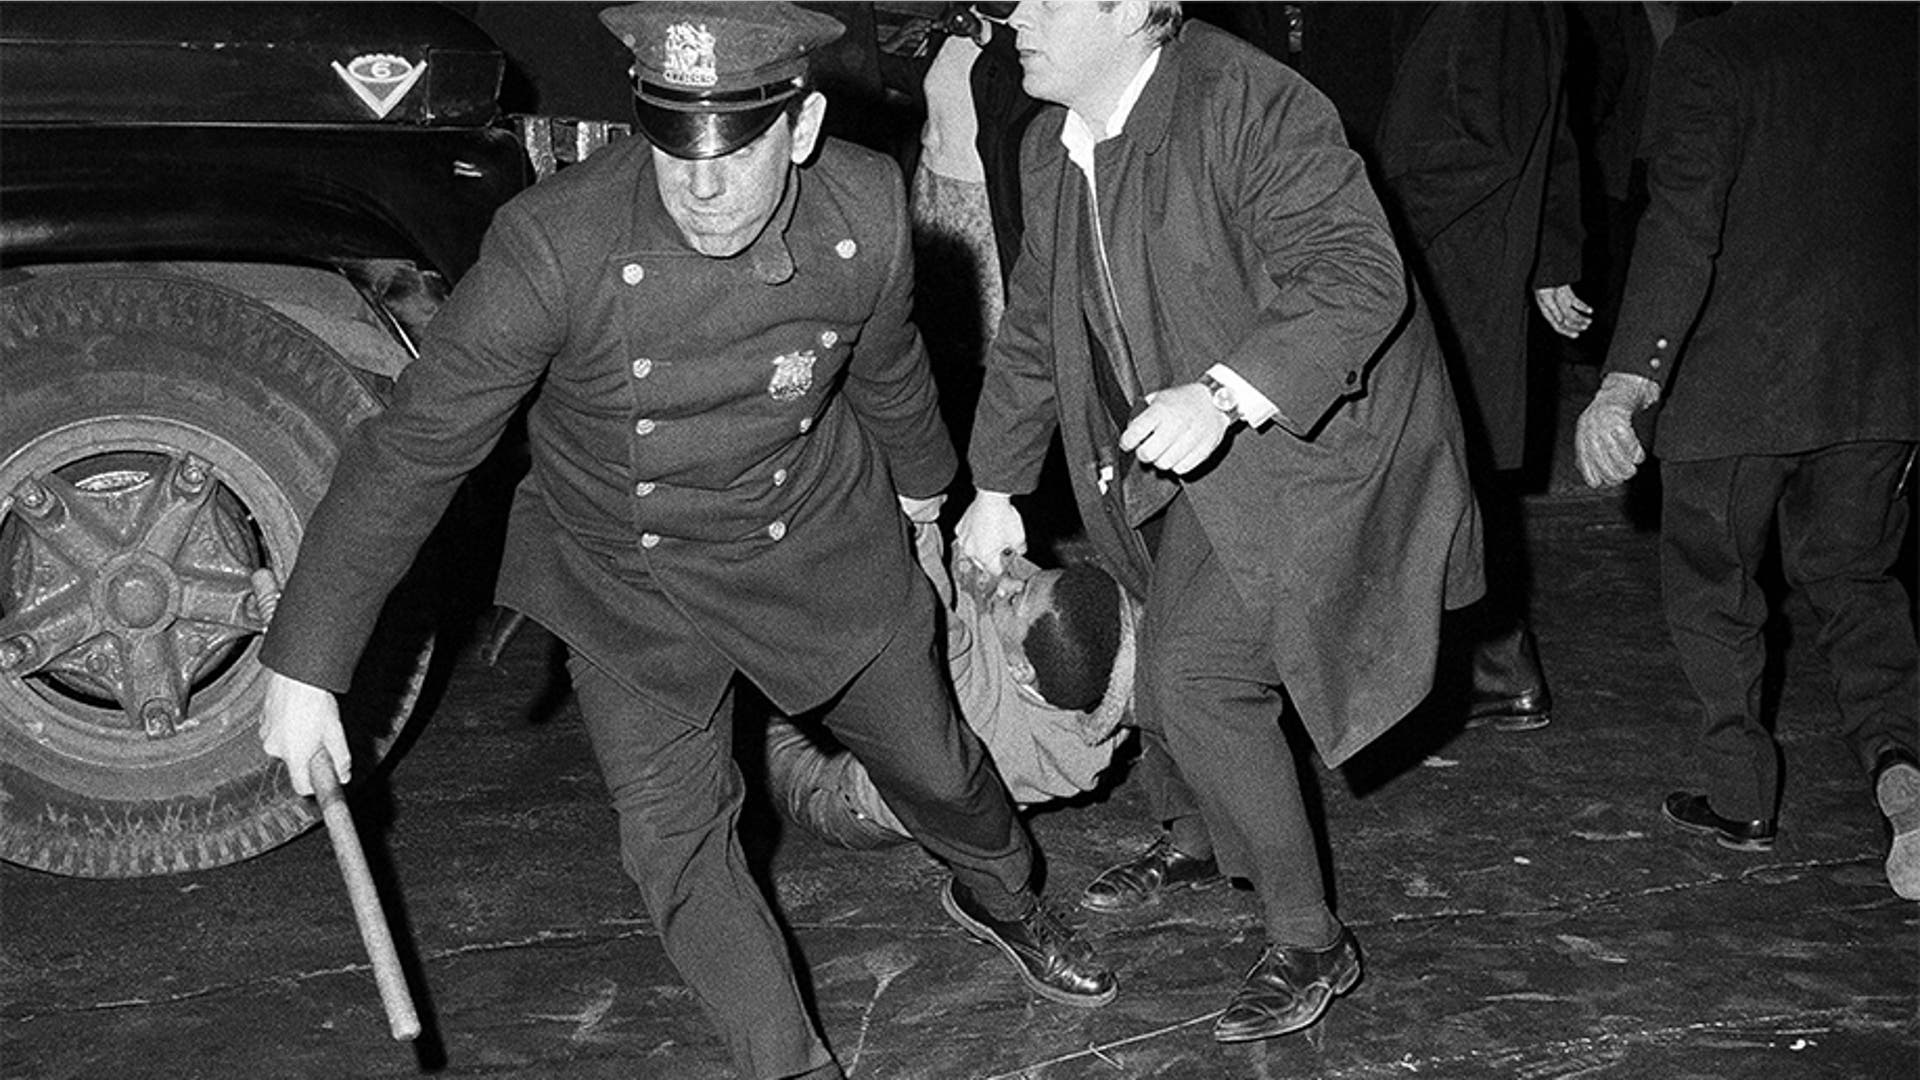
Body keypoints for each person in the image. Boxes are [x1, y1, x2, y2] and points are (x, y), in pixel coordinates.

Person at [253, 5, 1117, 1078]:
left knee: (939, 768)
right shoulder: (556, 245)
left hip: (816, 537)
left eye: (735, 150)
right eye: (674, 146)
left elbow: (888, 365)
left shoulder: (862, 207)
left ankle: (1004, 896)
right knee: (676, 846)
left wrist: (929, 500)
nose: (701, 186)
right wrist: (307, 661)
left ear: (801, 129)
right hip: (630, 580)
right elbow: (413, 448)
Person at [955, 0, 1484, 1043]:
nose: (1017, 16)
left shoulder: (1252, 102)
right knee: (1158, 637)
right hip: (1158, 437)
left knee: (1198, 673)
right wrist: (996, 487)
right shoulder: (1050, 143)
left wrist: (1225, 394)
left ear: (1132, 8)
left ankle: (1311, 939)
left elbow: (1358, 273)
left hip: (1307, 439)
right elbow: (1034, 330)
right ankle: (1195, 835)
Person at [1573, 4, 1919, 901]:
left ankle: (1742, 801)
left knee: (1714, 590)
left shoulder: (1712, 54)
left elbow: (1681, 226)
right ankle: (1904, 774)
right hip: (1878, 379)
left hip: (1737, 388)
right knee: (1858, 583)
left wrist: (1628, 382)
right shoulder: (1901, 35)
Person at [1373, 1, 1591, 733]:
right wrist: (1555, 256)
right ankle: (1493, 666)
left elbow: (1485, 145)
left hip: (1455, 271)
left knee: (1440, 474)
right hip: (1468, 269)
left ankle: (1487, 667)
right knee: (1453, 474)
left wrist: (1368, 220)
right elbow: (1552, 132)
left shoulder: (1495, 7)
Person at [766, 521, 1134, 849]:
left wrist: (920, 505)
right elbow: (1037, 597)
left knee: (756, 706)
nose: (1008, 585)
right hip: (927, 798)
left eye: (1013, 599)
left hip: (846, 799)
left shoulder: (975, 703)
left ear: (1021, 670)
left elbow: (922, 589)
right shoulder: (1088, 682)